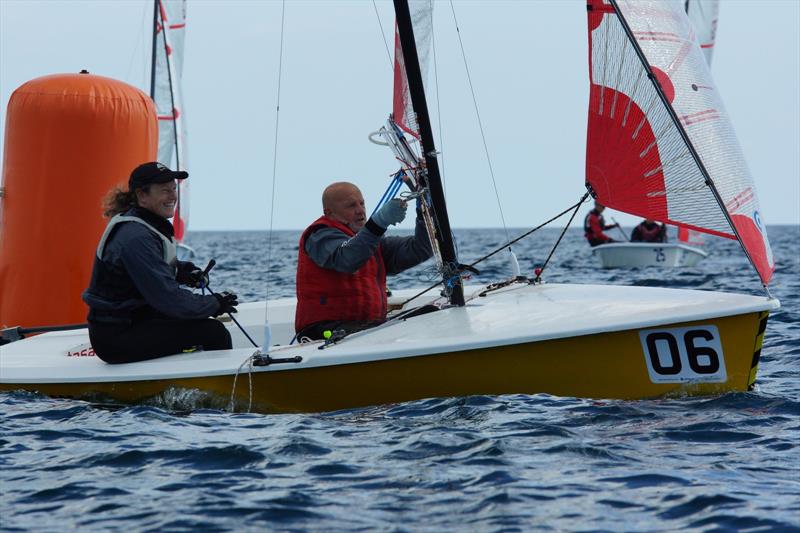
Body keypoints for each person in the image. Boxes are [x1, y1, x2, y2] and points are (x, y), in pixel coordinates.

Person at [82, 162, 238, 364]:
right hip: (117, 338)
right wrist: (214, 303)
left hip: (137, 322)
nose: (173, 196)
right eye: (165, 191)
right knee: (213, 332)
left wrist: (183, 272)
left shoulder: (143, 225)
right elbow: (168, 299)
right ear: (142, 196)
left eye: (174, 189)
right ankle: (219, 390)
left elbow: (151, 268)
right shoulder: (135, 237)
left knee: (199, 324)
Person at [295, 181, 433, 340]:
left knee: (429, 312)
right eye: (351, 206)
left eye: (362, 203)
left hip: (362, 328)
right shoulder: (319, 236)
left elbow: (422, 248)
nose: (360, 210)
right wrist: (379, 222)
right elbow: (347, 258)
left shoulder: (372, 242)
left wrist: (424, 208)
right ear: (329, 213)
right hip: (324, 330)